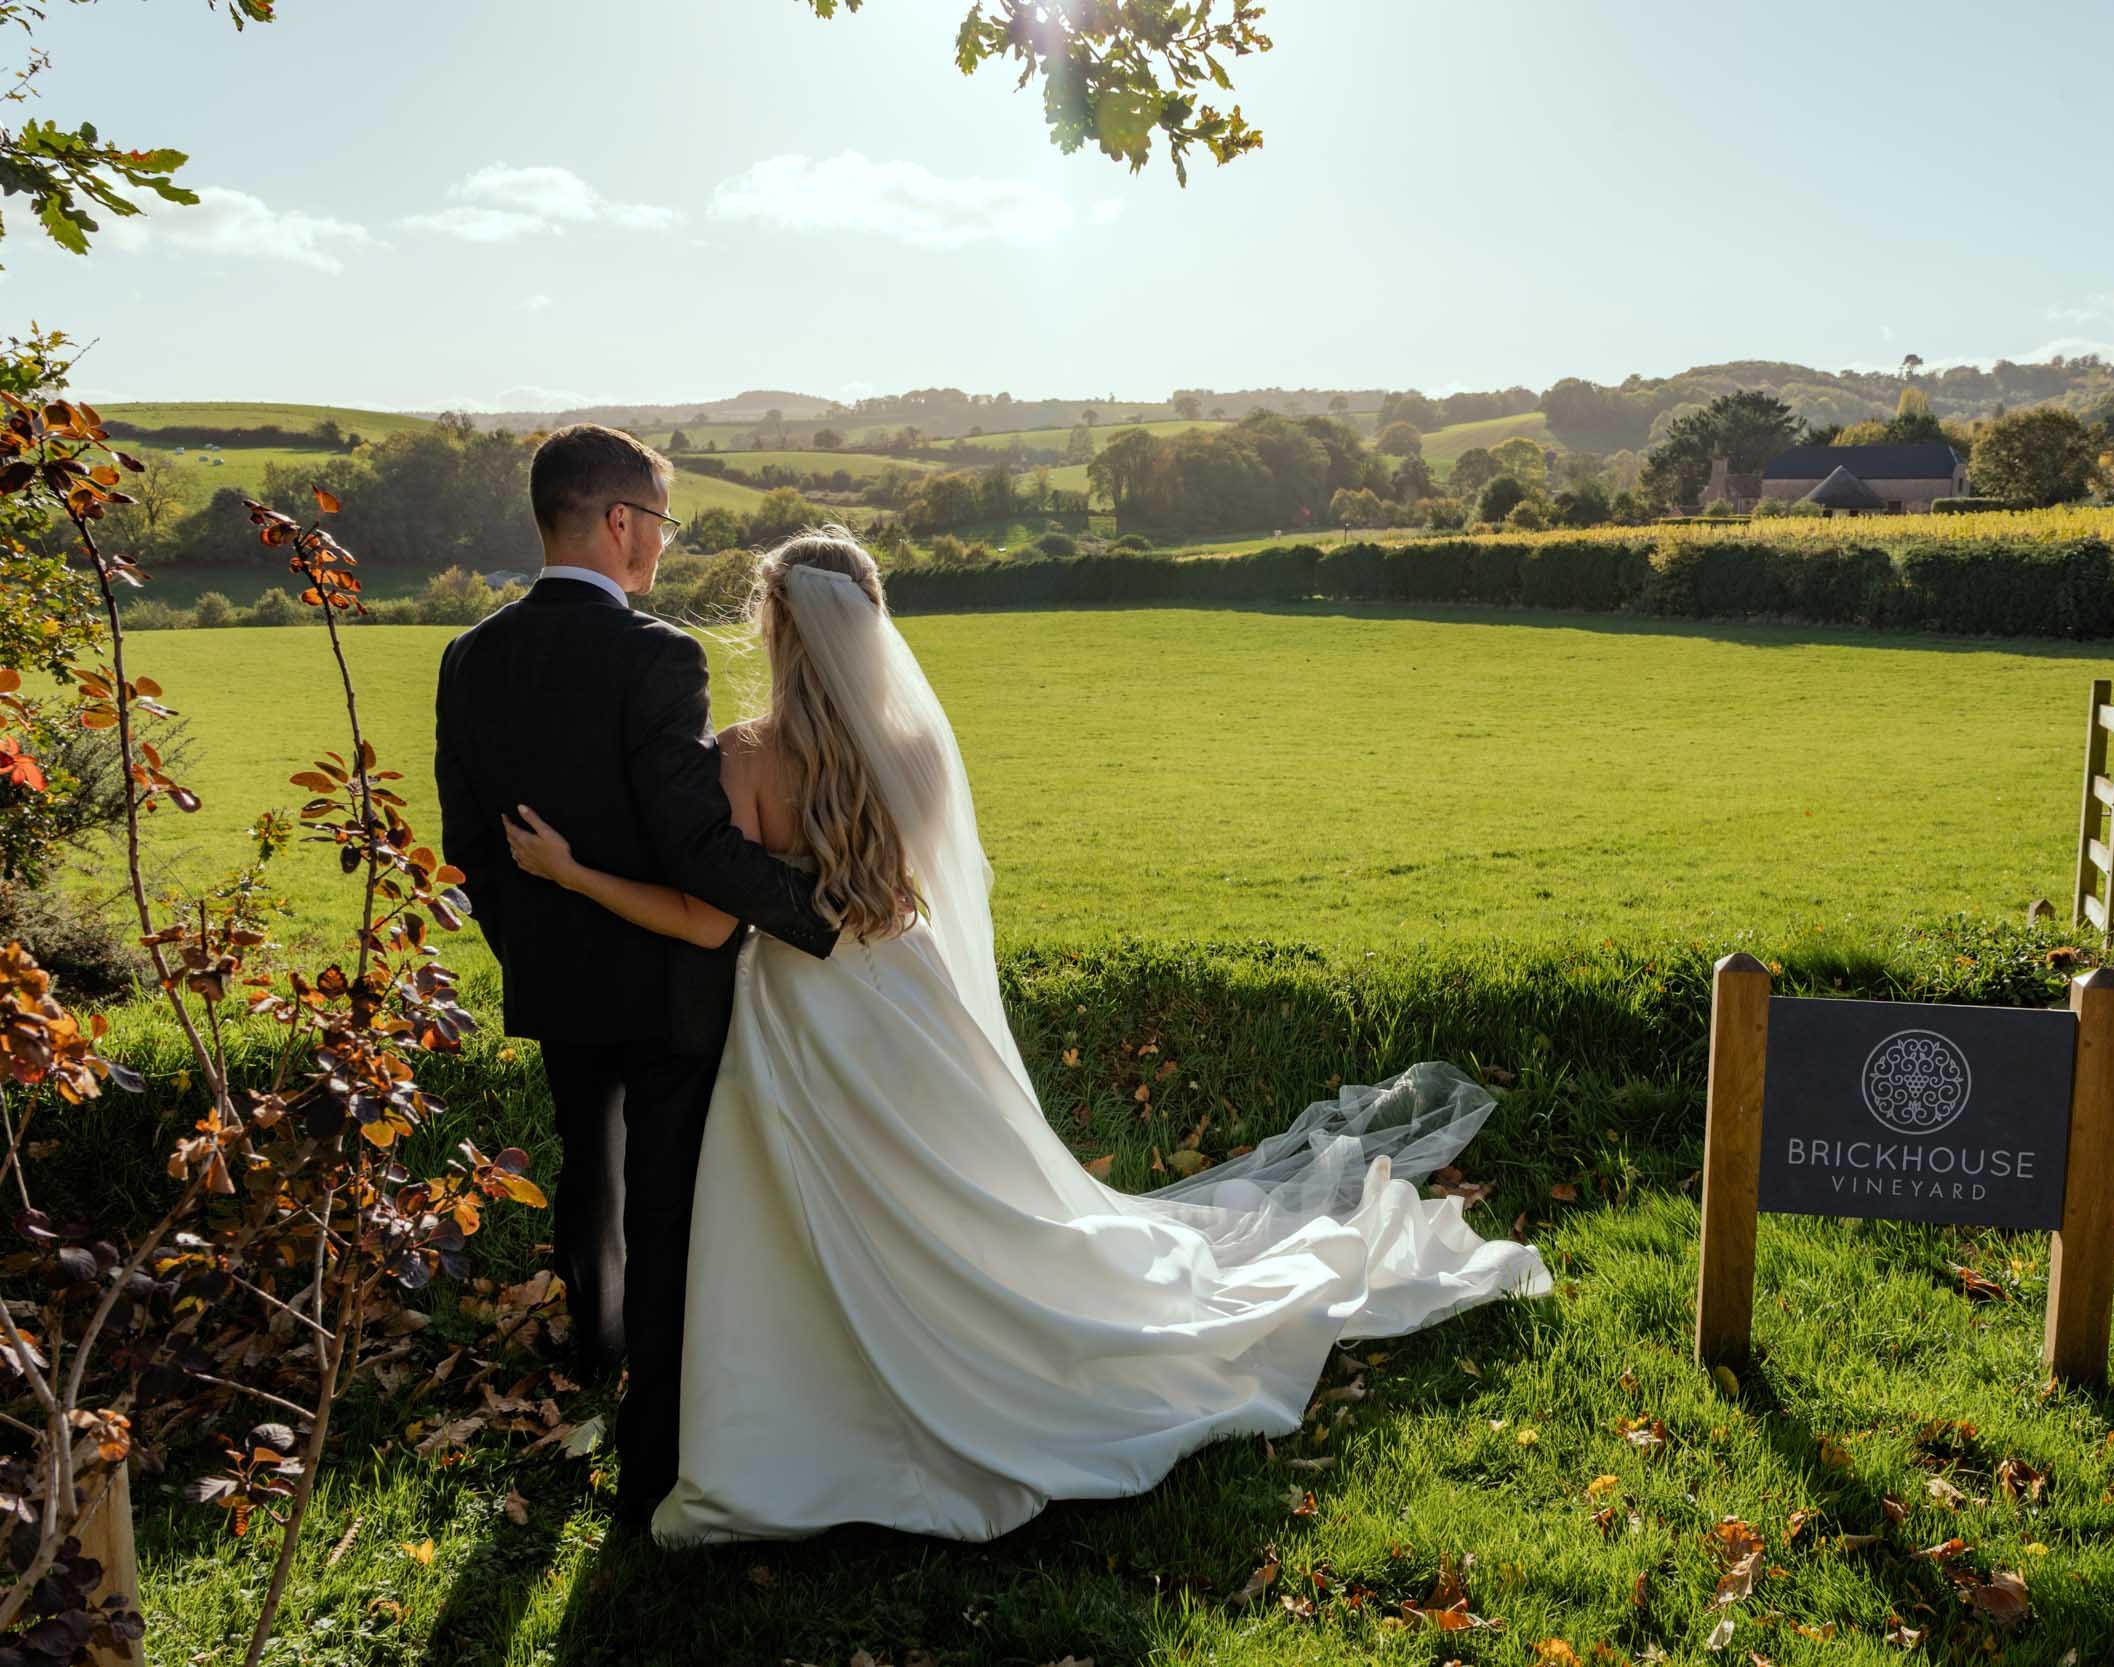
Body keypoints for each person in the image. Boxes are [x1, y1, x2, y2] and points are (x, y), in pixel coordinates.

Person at [500, 525, 1550, 1543]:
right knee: (957, 1195)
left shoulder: (746, 757)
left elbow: (708, 916)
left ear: (773, 628)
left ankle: (817, 1402)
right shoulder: (913, 745)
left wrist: (574, 873)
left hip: (804, 1015)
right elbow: (926, 886)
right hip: (909, 1003)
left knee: (818, 1204)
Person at [431, 425, 839, 1533]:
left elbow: (466, 848)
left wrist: (534, 948)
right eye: (660, 520)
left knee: (590, 1180)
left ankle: (588, 1364)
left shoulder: (469, 656)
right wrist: (827, 915)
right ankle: (652, 1457)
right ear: (619, 521)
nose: (660, 542)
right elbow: (696, 843)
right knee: (665, 1207)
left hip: (556, 982)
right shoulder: (660, 657)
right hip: (670, 981)